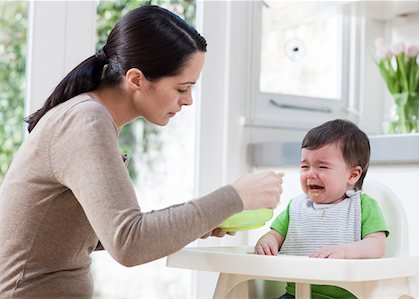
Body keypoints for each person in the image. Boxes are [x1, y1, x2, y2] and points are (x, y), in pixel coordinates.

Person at [0, 5, 283, 299]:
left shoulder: (88, 115)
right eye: (181, 88)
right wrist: (234, 197)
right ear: (136, 79)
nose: (188, 101)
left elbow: (95, 236)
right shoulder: (86, 119)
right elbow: (128, 243)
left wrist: (197, 224)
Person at [254, 119, 389, 299]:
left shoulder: (362, 206)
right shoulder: (296, 207)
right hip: (295, 294)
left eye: (322, 166)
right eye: (304, 166)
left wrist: (345, 251)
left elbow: (377, 245)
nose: (310, 174)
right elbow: (274, 235)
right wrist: (267, 241)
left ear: (352, 174)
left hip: (347, 296)